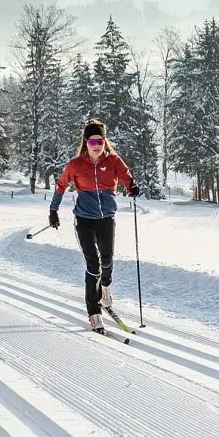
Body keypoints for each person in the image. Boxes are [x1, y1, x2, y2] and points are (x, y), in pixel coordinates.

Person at [48, 119, 140, 334]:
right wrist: (53, 210)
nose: (96, 145)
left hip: (106, 218)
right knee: (93, 264)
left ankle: (106, 289)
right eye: (92, 141)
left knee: (107, 261)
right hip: (84, 220)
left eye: (100, 140)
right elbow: (61, 185)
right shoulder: (75, 165)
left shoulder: (114, 161)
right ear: (86, 143)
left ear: (104, 141)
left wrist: (133, 187)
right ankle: (94, 312)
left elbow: (127, 179)